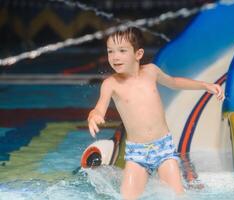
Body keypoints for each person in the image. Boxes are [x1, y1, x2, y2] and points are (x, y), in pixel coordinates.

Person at [87, 26, 225, 199]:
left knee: (177, 195)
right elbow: (100, 107)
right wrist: (95, 115)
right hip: (137, 153)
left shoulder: (151, 71)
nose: (115, 57)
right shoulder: (111, 84)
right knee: (127, 197)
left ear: (138, 54)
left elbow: (174, 82)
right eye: (110, 51)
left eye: (122, 51)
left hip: (163, 148)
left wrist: (204, 85)